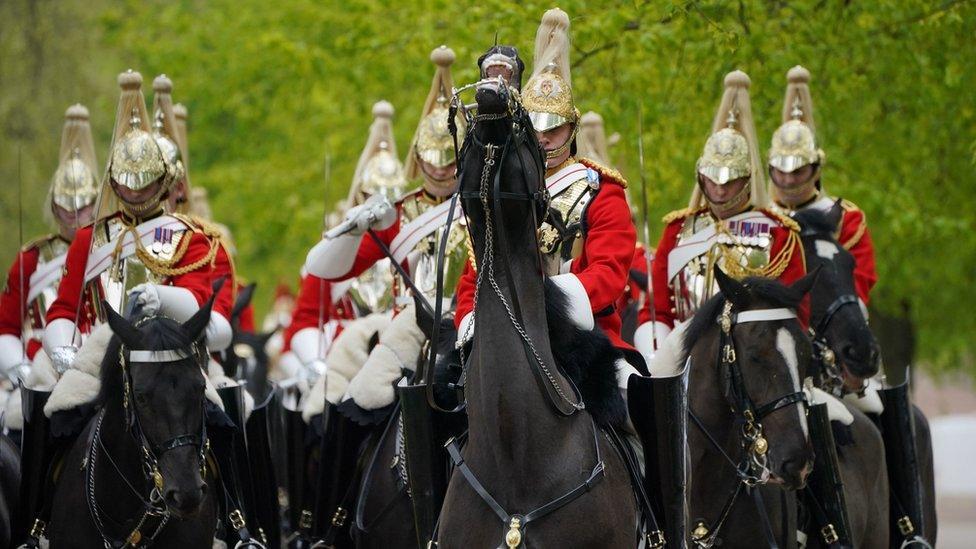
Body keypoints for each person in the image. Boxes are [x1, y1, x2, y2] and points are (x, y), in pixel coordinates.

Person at [454, 9, 642, 377]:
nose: (543, 137)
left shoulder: (600, 188)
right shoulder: (501, 189)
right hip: (501, 330)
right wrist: (472, 320)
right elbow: (473, 272)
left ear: (571, 127)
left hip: (582, 335)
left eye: (554, 127)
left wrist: (546, 302)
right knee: (438, 397)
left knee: (631, 390)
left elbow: (609, 271)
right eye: (536, 126)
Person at [634, 70, 808, 365]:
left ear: (747, 179)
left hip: (757, 361)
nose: (719, 188)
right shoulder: (678, 229)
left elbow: (797, 313)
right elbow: (656, 308)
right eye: (712, 178)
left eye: (730, 180)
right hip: (684, 356)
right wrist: (658, 352)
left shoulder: (779, 234)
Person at [0, 104, 100, 435]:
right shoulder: (32, 259)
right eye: (65, 209)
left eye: (82, 207)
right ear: (54, 207)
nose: (74, 217)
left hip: (99, 355)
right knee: (16, 418)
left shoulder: (108, 246)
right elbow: (7, 327)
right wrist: (19, 370)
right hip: (42, 366)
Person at [768, 66, 876, 308]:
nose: (787, 180)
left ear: (816, 169)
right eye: (780, 171)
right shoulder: (758, 215)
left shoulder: (845, 219)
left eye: (797, 171)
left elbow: (859, 281)